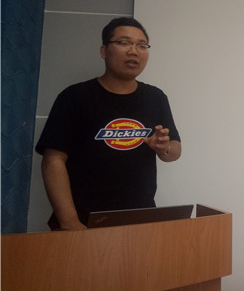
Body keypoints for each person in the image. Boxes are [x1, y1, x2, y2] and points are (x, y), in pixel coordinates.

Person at [36, 17, 182, 230]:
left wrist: (164, 147)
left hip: (140, 221)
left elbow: (175, 151)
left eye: (142, 45)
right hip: (82, 222)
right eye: (124, 42)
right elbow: (53, 161)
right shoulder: (75, 97)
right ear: (104, 51)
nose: (134, 51)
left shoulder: (155, 97)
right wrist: (69, 221)